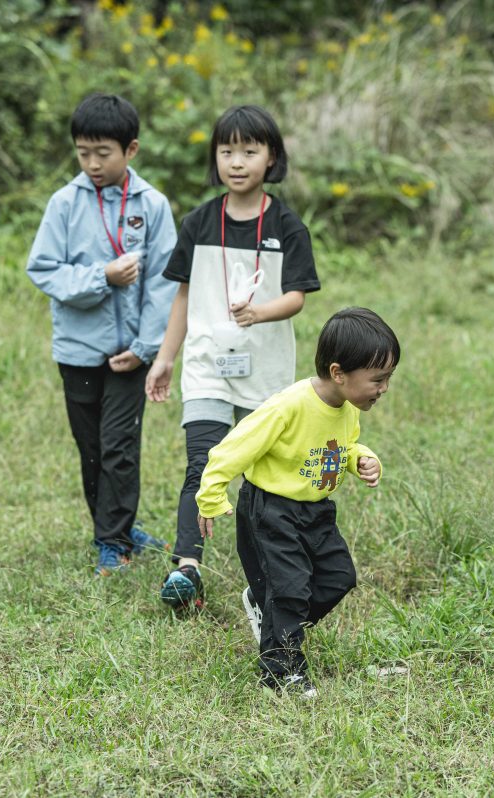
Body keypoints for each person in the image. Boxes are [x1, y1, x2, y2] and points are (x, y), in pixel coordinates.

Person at [146, 105, 320, 607]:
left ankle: (269, 565)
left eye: (249, 150)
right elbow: (183, 297)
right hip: (205, 365)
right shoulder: (199, 222)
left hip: (265, 371)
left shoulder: (287, 225)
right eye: (226, 151)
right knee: (201, 463)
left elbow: (298, 296)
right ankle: (187, 569)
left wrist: (260, 312)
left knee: (263, 473)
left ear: (272, 158)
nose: (236, 161)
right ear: (215, 159)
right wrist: (165, 359)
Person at [195, 307, 400, 696]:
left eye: (387, 378)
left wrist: (362, 459)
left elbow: (345, 444)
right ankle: (281, 671)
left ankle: (268, 611)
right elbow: (232, 449)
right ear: (339, 373)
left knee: (339, 578)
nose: (384, 388)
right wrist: (210, 495)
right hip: (272, 509)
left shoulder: (346, 408)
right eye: (378, 379)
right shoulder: (287, 406)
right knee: (290, 591)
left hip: (316, 510)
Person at [27, 93, 177, 575]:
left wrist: (145, 348)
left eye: (103, 153)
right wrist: (101, 278)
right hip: (77, 351)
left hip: (129, 354)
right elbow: (44, 269)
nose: (92, 163)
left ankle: (113, 541)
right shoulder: (64, 203)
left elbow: (164, 283)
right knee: (91, 448)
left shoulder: (152, 206)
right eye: (83, 152)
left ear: (131, 150)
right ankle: (116, 526)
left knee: (119, 447)